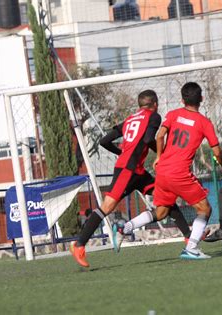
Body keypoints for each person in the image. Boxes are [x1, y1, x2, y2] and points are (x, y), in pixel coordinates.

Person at [70, 89, 191, 268]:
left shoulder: (129, 120)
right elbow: (150, 137)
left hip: (137, 171)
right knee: (107, 207)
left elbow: (104, 141)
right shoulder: (153, 116)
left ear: (139, 105)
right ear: (155, 104)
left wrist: (122, 152)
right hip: (128, 170)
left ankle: (189, 238)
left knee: (166, 196)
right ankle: (79, 245)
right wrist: (161, 153)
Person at [118, 82, 222, 260]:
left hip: (162, 171)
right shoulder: (204, 122)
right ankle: (192, 248)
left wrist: (158, 157)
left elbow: (159, 136)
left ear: (182, 99)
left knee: (161, 212)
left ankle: (125, 228)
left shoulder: (173, 114)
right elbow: (216, 150)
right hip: (179, 173)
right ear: (201, 99)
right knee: (204, 209)